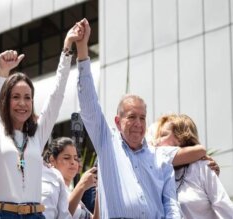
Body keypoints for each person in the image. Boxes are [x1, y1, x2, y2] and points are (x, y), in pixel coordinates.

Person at [0, 13, 86, 217]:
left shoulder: (36, 136)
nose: (22, 103)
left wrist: (67, 47)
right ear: (6, 101)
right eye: (16, 97)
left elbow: (57, 96)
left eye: (28, 98)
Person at [76, 18, 181, 218]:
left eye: (142, 118)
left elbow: (171, 203)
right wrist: (82, 50)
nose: (138, 124)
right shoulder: (107, 144)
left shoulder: (160, 158)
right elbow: (89, 104)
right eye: (132, 117)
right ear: (117, 122)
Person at [155, 113, 233, 218]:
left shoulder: (202, 167)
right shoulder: (157, 174)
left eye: (163, 135)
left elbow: (223, 206)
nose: (157, 141)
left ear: (181, 137)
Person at [43, 137, 98, 219]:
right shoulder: (49, 188)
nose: (73, 162)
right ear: (52, 160)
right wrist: (81, 185)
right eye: (66, 158)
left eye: (75, 158)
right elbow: (63, 215)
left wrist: (99, 192)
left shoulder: (71, 192)